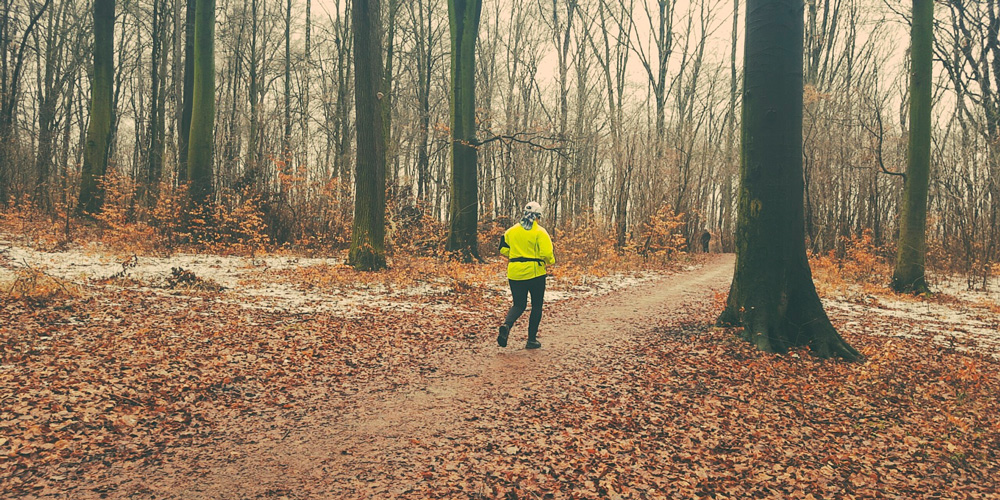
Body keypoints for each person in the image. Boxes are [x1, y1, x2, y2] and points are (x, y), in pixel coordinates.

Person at [497, 201, 555, 349]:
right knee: (536, 305)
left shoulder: (511, 231)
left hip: (515, 272)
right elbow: (547, 253)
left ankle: (506, 325)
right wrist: (550, 262)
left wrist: (515, 255)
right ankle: (531, 340)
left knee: (518, 304)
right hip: (535, 273)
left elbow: (502, 248)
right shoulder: (540, 232)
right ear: (538, 216)